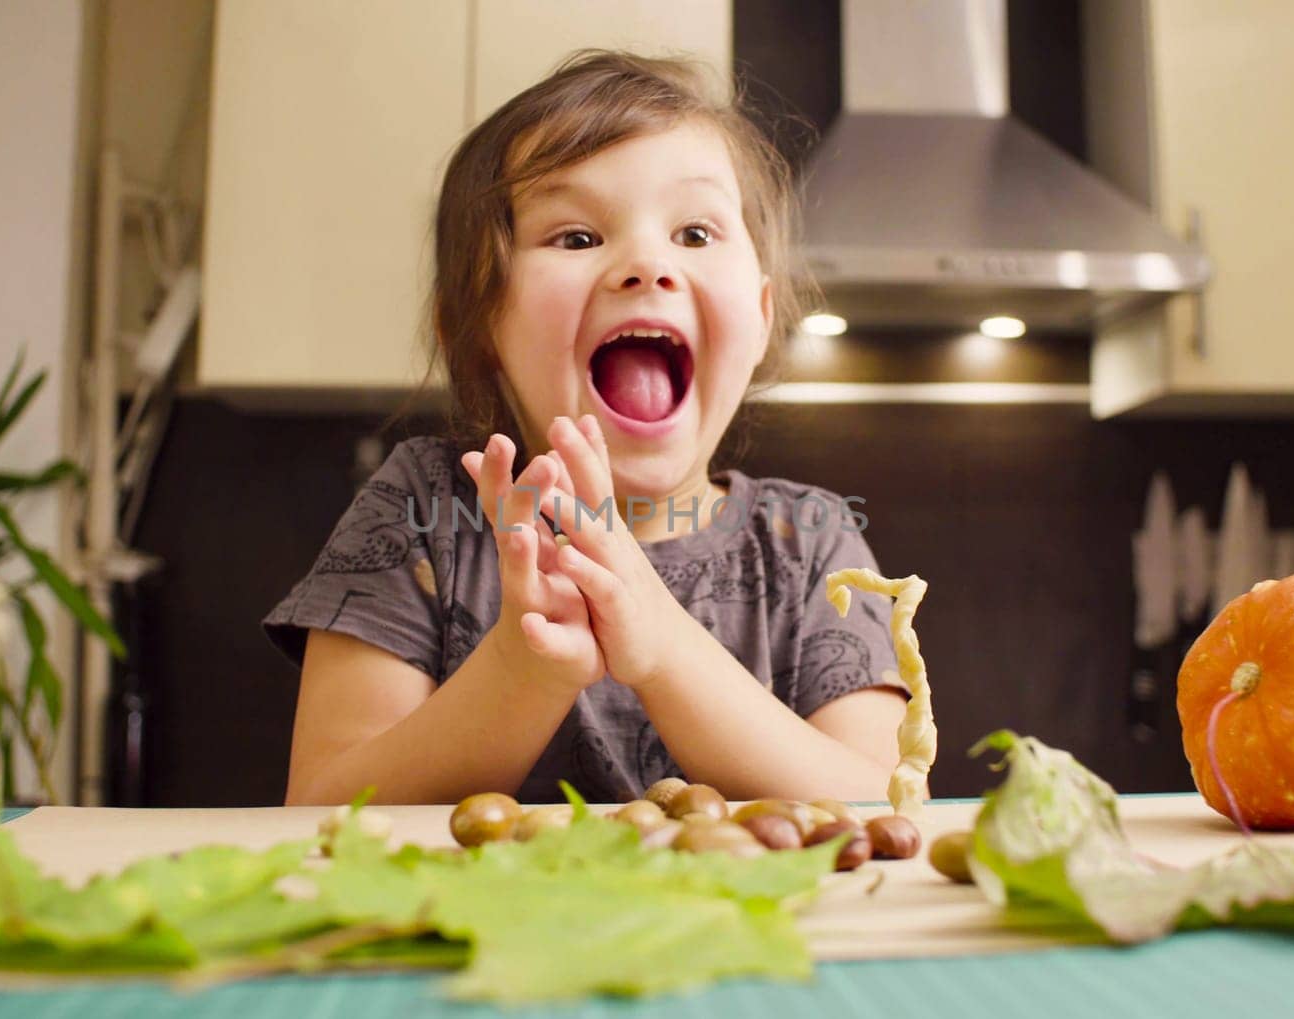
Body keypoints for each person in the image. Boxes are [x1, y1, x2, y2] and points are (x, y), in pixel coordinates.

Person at [265, 50, 907, 806]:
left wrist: (663, 646)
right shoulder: (420, 512)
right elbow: (323, 808)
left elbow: (887, 806)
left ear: (763, 315)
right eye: (575, 237)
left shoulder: (812, 540)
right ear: (472, 326)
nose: (646, 264)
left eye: (695, 234)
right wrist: (524, 664)